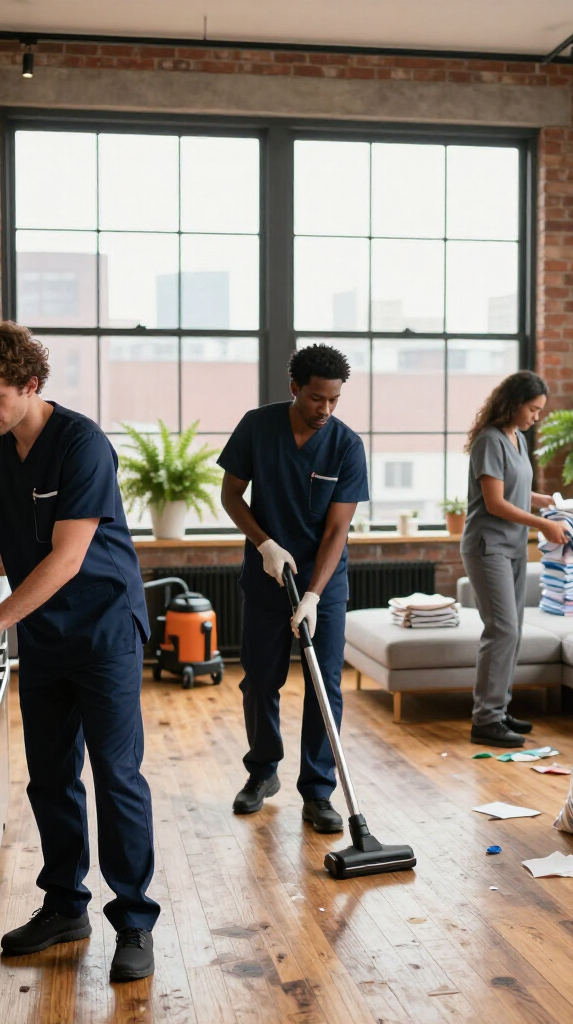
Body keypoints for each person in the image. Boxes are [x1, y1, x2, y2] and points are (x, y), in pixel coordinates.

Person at [0, 321, 159, 981]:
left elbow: (68, 558)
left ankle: (133, 922)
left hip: (103, 628)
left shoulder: (81, 444)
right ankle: (65, 904)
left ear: (30, 385)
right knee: (49, 777)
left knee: (117, 776)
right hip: (44, 633)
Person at [219, 344, 368, 833]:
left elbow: (335, 531)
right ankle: (262, 773)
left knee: (324, 686)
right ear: (294, 389)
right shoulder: (257, 427)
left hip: (324, 581)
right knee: (260, 679)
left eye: (334, 401)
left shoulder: (346, 446)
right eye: (316, 399)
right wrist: (263, 544)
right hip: (266, 574)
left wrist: (313, 596)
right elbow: (230, 494)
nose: (325, 410)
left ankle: (319, 791)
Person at [461, 370, 571, 748]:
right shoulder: (489, 441)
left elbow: (515, 491)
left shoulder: (518, 439)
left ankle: (499, 708)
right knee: (502, 629)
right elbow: (495, 503)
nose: (536, 417)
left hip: (512, 546)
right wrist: (543, 523)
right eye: (533, 409)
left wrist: (546, 501)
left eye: (540, 411)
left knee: (514, 630)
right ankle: (485, 720)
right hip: (487, 546)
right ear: (514, 403)